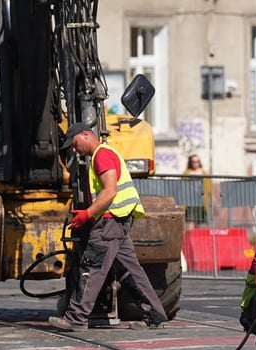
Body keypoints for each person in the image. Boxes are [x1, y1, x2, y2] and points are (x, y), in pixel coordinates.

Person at [48, 122, 168, 332]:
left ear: (86, 135)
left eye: (75, 144)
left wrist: (87, 214)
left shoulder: (101, 155)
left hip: (110, 221)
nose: (75, 150)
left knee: (91, 267)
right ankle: (155, 313)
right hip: (119, 221)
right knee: (132, 270)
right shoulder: (105, 153)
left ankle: (76, 318)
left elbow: (110, 191)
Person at [182, 154, 210, 228]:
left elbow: (208, 189)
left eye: (197, 161)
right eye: (193, 161)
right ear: (190, 162)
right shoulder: (186, 173)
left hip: (201, 201)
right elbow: (182, 187)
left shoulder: (204, 173)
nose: (195, 163)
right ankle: (190, 239)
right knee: (190, 222)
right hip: (190, 202)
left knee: (200, 223)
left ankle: (196, 239)